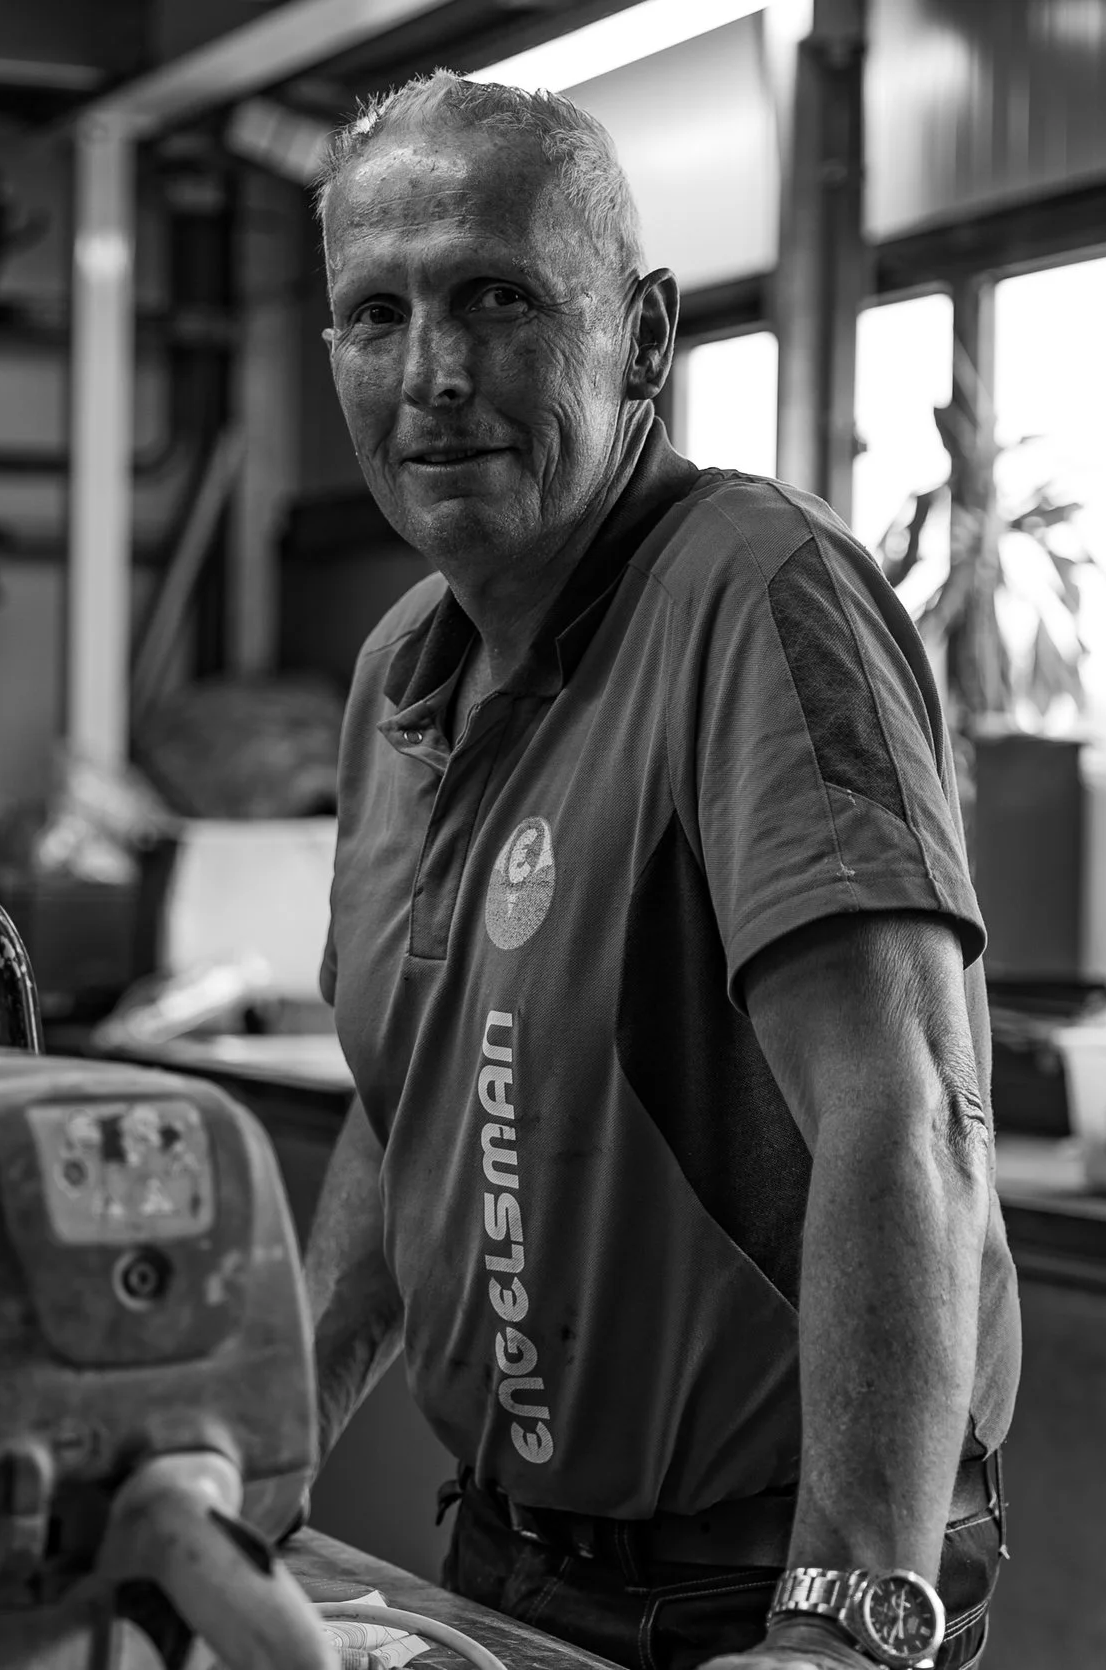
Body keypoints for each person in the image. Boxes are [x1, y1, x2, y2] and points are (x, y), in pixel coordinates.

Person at [303, 70, 1022, 1670]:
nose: (434, 373)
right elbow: (400, 1085)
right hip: (510, 1553)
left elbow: (908, 1108)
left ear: (639, 336)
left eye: (496, 297)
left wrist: (844, 1621)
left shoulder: (759, 598)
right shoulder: (400, 670)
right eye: (376, 314)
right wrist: (260, 1434)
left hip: (761, 1580)